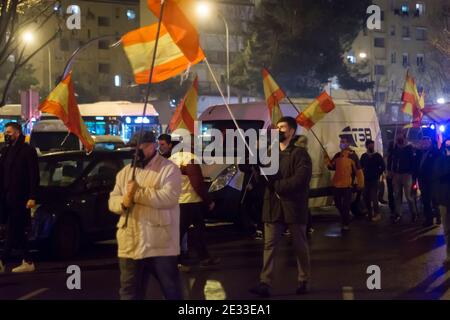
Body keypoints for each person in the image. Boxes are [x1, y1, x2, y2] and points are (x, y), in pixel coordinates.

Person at [108, 131, 183, 300]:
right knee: (129, 292)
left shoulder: (169, 169)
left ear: (151, 146)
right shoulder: (124, 173)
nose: (134, 152)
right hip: (130, 243)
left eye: (137, 148)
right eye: (132, 148)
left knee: (171, 290)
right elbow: (112, 200)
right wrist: (122, 202)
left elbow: (169, 198)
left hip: (160, 244)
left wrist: (137, 194)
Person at [249, 116, 312, 297]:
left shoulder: (300, 154)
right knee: (269, 245)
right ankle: (265, 282)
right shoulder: (270, 152)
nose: (279, 131)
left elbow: (301, 180)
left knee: (299, 245)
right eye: (277, 127)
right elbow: (261, 177)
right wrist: (255, 166)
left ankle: (304, 280)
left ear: (291, 131)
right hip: (273, 207)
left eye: (282, 128)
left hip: (293, 206)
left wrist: (278, 186)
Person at [169, 138, 219, 269]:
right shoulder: (190, 159)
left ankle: (202, 257)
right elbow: (197, 183)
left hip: (177, 200)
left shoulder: (172, 159)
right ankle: (178, 261)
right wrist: (208, 200)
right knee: (195, 230)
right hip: (190, 200)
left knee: (183, 231)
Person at [0, 122, 39, 273]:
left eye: (9, 132)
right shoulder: (6, 150)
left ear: (17, 133)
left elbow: (33, 175)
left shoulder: (27, 150)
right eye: (5, 132)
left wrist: (32, 196)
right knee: (17, 229)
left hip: (21, 197)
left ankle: (2, 261)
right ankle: (28, 261)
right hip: (7, 196)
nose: (6, 134)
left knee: (12, 228)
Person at [325, 136, 364, 232]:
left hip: (347, 186)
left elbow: (358, 171)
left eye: (343, 141)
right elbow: (331, 167)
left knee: (346, 205)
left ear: (348, 144)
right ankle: (345, 217)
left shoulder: (353, 156)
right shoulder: (338, 155)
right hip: (337, 185)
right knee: (338, 204)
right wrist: (326, 158)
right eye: (341, 141)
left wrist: (360, 183)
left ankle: (345, 224)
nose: (341, 143)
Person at [387, 134, 418, 223]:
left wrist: (410, 172)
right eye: (398, 137)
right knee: (396, 195)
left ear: (404, 138)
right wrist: (390, 170)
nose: (398, 139)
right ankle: (398, 214)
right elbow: (390, 159)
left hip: (406, 174)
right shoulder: (395, 148)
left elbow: (413, 162)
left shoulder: (409, 148)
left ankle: (414, 213)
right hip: (396, 174)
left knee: (409, 196)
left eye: (400, 137)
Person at [432, 139, 450, 267]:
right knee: (447, 229)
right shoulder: (440, 159)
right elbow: (438, 174)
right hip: (444, 199)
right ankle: (449, 254)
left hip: (444, 198)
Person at [417, 136, 440, 227]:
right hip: (422, 180)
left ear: (430, 143)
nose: (425, 144)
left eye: (426, 142)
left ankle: (438, 216)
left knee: (434, 200)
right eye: (423, 142)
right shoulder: (419, 153)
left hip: (432, 180)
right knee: (425, 200)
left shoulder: (434, 153)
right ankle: (429, 219)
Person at [360, 139, 385, 222]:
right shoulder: (364, 156)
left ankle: (377, 214)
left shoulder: (377, 156)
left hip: (374, 179)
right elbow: (360, 166)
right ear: (367, 146)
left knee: (374, 197)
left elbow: (382, 166)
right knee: (365, 197)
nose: (372, 146)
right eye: (370, 145)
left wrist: (378, 173)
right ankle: (369, 212)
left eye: (372, 145)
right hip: (366, 179)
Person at [295, 135, 314, 235]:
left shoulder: (303, 155)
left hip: (302, 187)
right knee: (303, 206)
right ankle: (307, 226)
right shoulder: (302, 153)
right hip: (303, 186)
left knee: (303, 207)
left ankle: (307, 226)